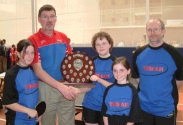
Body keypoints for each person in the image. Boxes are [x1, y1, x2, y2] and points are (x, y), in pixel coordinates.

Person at [28, 4, 77, 125]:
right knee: (47, 122)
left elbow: (69, 64)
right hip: (46, 89)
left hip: (66, 85)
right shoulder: (33, 40)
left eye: (52, 16)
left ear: (56, 18)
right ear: (39, 19)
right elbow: (38, 70)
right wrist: (60, 87)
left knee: (68, 122)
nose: (49, 20)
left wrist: (72, 84)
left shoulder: (63, 37)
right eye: (45, 16)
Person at [132, 18, 183, 125]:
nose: (152, 33)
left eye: (156, 29)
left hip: (166, 108)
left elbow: (179, 80)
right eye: (149, 30)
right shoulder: (138, 53)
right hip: (143, 108)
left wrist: (161, 92)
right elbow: (138, 78)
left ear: (163, 31)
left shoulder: (174, 54)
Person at [94, 57, 142, 125]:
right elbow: (104, 112)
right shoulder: (109, 89)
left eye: (121, 70)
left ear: (128, 71)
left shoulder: (132, 90)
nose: (118, 74)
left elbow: (133, 116)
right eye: (115, 70)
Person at [2, 39, 40, 125]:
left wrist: (38, 112)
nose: (30, 56)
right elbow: (7, 102)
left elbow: (35, 95)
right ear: (18, 54)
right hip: (17, 120)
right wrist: (27, 110)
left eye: (32, 52)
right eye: (26, 52)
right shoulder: (11, 74)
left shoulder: (34, 70)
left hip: (33, 119)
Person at [82, 31, 116, 125]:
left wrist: (99, 79)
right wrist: (76, 90)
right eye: (98, 44)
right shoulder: (91, 62)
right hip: (90, 105)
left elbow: (117, 87)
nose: (101, 46)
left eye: (104, 43)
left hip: (108, 107)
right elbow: (88, 86)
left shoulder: (116, 63)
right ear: (95, 47)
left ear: (110, 44)